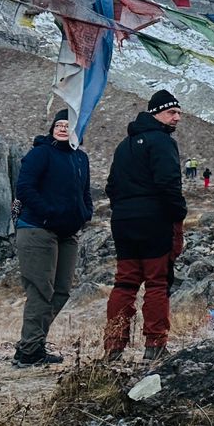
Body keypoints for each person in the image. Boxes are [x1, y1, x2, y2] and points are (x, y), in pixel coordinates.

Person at [104, 90, 187, 365]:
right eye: (171, 112)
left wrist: (125, 209)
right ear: (156, 113)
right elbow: (168, 184)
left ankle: (113, 347)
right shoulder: (162, 142)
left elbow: (111, 187)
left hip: (124, 222)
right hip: (155, 220)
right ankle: (155, 345)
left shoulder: (124, 145)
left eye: (178, 112)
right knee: (157, 282)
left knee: (125, 282)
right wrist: (178, 213)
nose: (177, 117)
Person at [12, 109, 92, 367]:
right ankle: (29, 351)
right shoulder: (41, 153)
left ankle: (33, 345)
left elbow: (85, 193)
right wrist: (49, 212)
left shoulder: (81, 158)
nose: (61, 128)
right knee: (40, 291)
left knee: (61, 291)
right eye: (58, 124)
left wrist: (85, 214)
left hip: (67, 232)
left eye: (67, 124)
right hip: (37, 228)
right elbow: (24, 188)